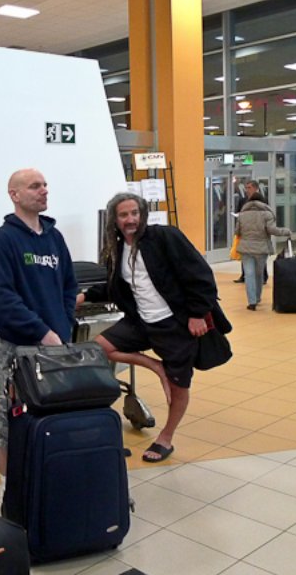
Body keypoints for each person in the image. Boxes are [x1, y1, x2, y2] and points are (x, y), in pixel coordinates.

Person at [92, 192, 230, 464]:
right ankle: (157, 367)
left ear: (142, 214)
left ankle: (166, 436)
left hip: (175, 324)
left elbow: (200, 274)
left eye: (135, 213)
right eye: (123, 215)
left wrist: (198, 314)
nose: (130, 219)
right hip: (142, 322)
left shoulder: (165, 237)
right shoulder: (117, 248)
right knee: (100, 347)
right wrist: (85, 296)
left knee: (178, 386)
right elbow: (116, 286)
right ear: (115, 220)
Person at [0, 168, 78, 470]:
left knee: (55, 412)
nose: (44, 190)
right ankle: (12, 492)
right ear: (15, 195)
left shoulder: (55, 238)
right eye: (35, 186)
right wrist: (42, 332)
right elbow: (4, 301)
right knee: (9, 417)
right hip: (18, 349)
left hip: (56, 344)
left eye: (45, 184)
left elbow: (68, 287)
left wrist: (62, 328)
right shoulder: (2, 241)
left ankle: (47, 479)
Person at [235, 191, 291, 310]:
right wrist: (285, 231)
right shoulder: (267, 214)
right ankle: (257, 297)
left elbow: (237, 231)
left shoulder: (242, 215)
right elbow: (272, 230)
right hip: (261, 248)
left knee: (249, 275)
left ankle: (252, 301)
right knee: (258, 274)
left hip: (246, 248)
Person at [233, 180, 266, 284]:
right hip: (245, 231)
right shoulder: (243, 200)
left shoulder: (262, 201)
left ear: (256, 189)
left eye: (249, 188)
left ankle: (262, 276)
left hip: (257, 232)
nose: (247, 190)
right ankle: (245, 275)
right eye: (246, 188)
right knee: (245, 254)